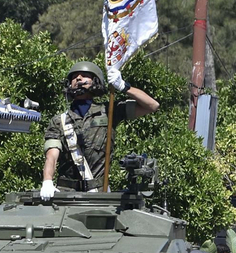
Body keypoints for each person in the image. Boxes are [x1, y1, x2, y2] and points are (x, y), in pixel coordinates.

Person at [40, 62, 158, 197]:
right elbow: (52, 155)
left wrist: (124, 87)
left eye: (85, 76)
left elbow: (152, 106)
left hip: (98, 193)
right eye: (75, 77)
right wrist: (47, 181)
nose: (78, 79)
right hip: (67, 193)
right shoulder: (59, 121)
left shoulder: (110, 111)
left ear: (95, 81)